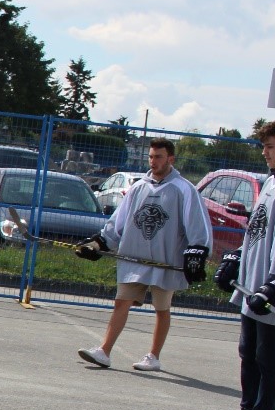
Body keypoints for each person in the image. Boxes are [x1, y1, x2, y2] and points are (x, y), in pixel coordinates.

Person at [74, 138, 211, 372]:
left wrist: (197, 252)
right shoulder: (138, 187)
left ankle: (153, 356)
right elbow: (118, 221)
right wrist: (99, 244)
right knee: (121, 302)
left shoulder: (184, 189)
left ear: (171, 159)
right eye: (151, 156)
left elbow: (198, 225)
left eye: (158, 157)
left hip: (166, 261)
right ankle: (104, 351)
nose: (153, 161)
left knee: (161, 308)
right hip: (133, 259)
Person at [208, 117, 275, 410]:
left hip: (272, 287)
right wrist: (237, 257)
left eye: (270, 147)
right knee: (248, 351)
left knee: (267, 353)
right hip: (253, 282)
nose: (264, 153)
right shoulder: (274, 182)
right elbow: (257, 232)